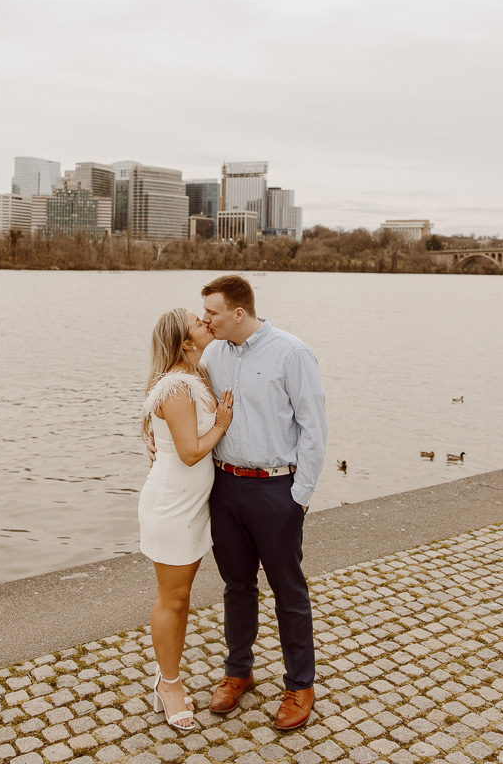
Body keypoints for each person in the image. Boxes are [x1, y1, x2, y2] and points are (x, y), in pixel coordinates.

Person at [147, 275, 328, 730]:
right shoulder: (211, 355)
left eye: (211, 312)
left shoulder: (292, 352)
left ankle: (300, 684)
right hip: (224, 489)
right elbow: (170, 382)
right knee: (237, 587)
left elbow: (314, 429)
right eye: (201, 314)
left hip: (275, 489)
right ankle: (237, 672)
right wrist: (153, 433)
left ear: (238, 313)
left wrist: (299, 497)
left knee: (289, 589)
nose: (205, 319)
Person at [138, 307, 234, 732]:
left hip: (193, 504)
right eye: (198, 322)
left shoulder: (198, 375)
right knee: (172, 599)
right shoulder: (177, 386)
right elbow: (193, 451)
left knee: (182, 597)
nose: (206, 322)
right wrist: (224, 424)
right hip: (172, 506)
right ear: (184, 342)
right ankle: (169, 685)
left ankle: (165, 674)